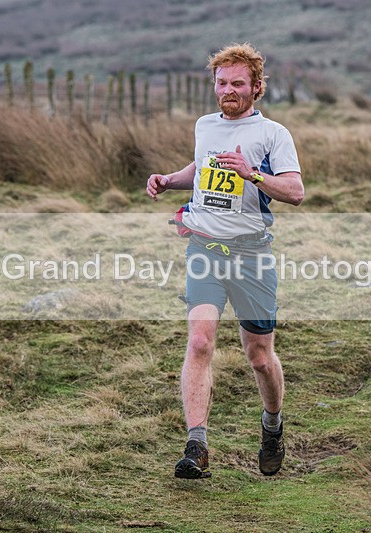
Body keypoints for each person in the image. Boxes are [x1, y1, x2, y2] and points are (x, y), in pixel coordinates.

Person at [146, 43, 304, 479]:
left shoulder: (273, 134)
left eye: (237, 83)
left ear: (256, 87)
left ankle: (272, 425)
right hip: (205, 249)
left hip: (252, 255)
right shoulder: (205, 125)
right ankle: (196, 445)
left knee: (259, 356)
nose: (228, 90)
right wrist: (169, 180)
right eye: (221, 83)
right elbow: (200, 169)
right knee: (200, 341)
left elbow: (295, 192)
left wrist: (251, 173)